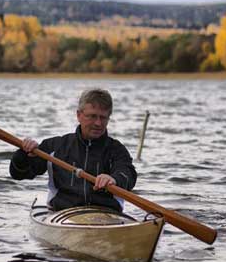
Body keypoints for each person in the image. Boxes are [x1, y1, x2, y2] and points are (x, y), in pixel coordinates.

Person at [9, 89, 137, 212]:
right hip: (62, 214)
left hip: (106, 215)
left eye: (103, 117)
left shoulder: (117, 150)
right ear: (79, 115)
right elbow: (18, 174)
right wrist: (24, 153)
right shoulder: (54, 146)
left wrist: (113, 179)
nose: (98, 123)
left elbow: (128, 175)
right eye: (92, 116)